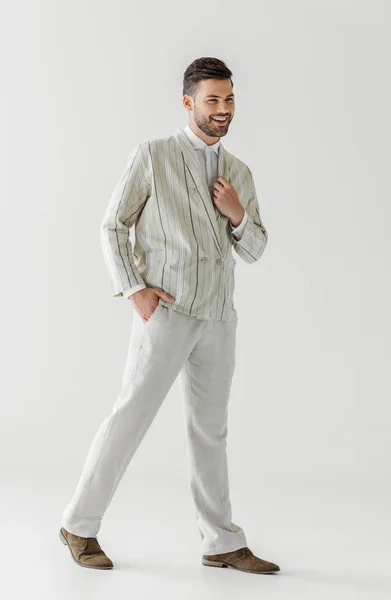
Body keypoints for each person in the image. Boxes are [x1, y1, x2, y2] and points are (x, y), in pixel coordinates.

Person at [59, 56, 280, 575]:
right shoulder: (153, 156)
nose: (222, 109)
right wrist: (134, 289)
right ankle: (79, 524)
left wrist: (238, 215)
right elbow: (113, 225)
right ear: (189, 103)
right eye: (212, 100)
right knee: (131, 415)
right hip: (167, 310)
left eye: (228, 99)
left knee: (211, 430)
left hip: (218, 316)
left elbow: (256, 249)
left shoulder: (238, 174)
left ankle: (221, 540)